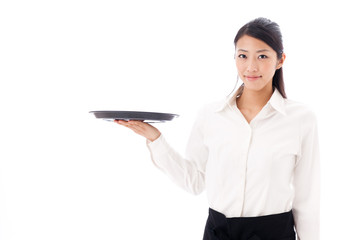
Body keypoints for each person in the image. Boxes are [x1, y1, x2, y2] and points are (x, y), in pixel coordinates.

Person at [115, 17, 320, 240]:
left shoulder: (300, 119)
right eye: (243, 55)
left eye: (262, 56)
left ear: (280, 60)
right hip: (218, 233)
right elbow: (193, 182)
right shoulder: (211, 115)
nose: (251, 66)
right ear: (234, 58)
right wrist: (155, 138)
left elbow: (307, 199)